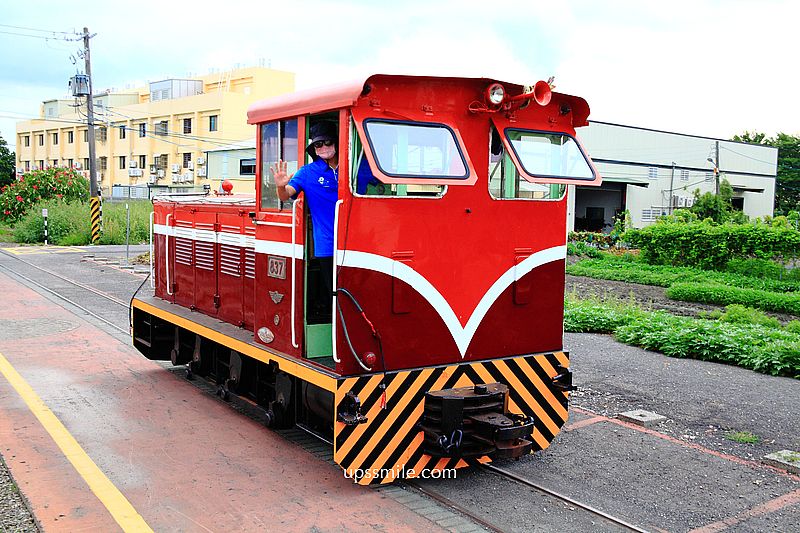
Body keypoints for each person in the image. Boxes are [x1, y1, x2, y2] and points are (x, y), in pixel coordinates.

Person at [271, 121, 339, 295]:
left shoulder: (352, 168)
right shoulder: (307, 172)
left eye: (328, 142)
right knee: (334, 294)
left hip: (357, 244)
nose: (323, 147)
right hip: (327, 245)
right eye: (318, 144)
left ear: (337, 142)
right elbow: (286, 194)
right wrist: (280, 185)